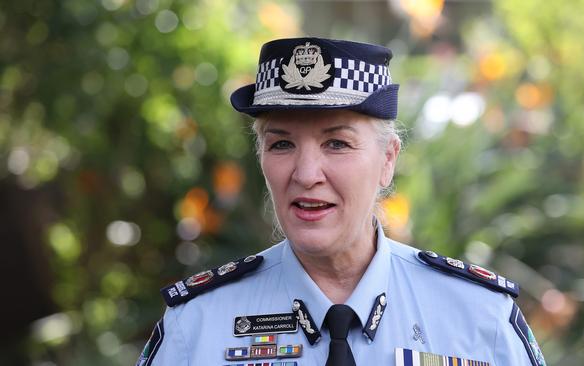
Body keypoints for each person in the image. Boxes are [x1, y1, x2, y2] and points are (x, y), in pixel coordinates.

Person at [137, 37, 546, 366]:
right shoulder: (198, 326)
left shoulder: (478, 319)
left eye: (336, 143)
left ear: (388, 160)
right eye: (281, 144)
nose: (306, 174)